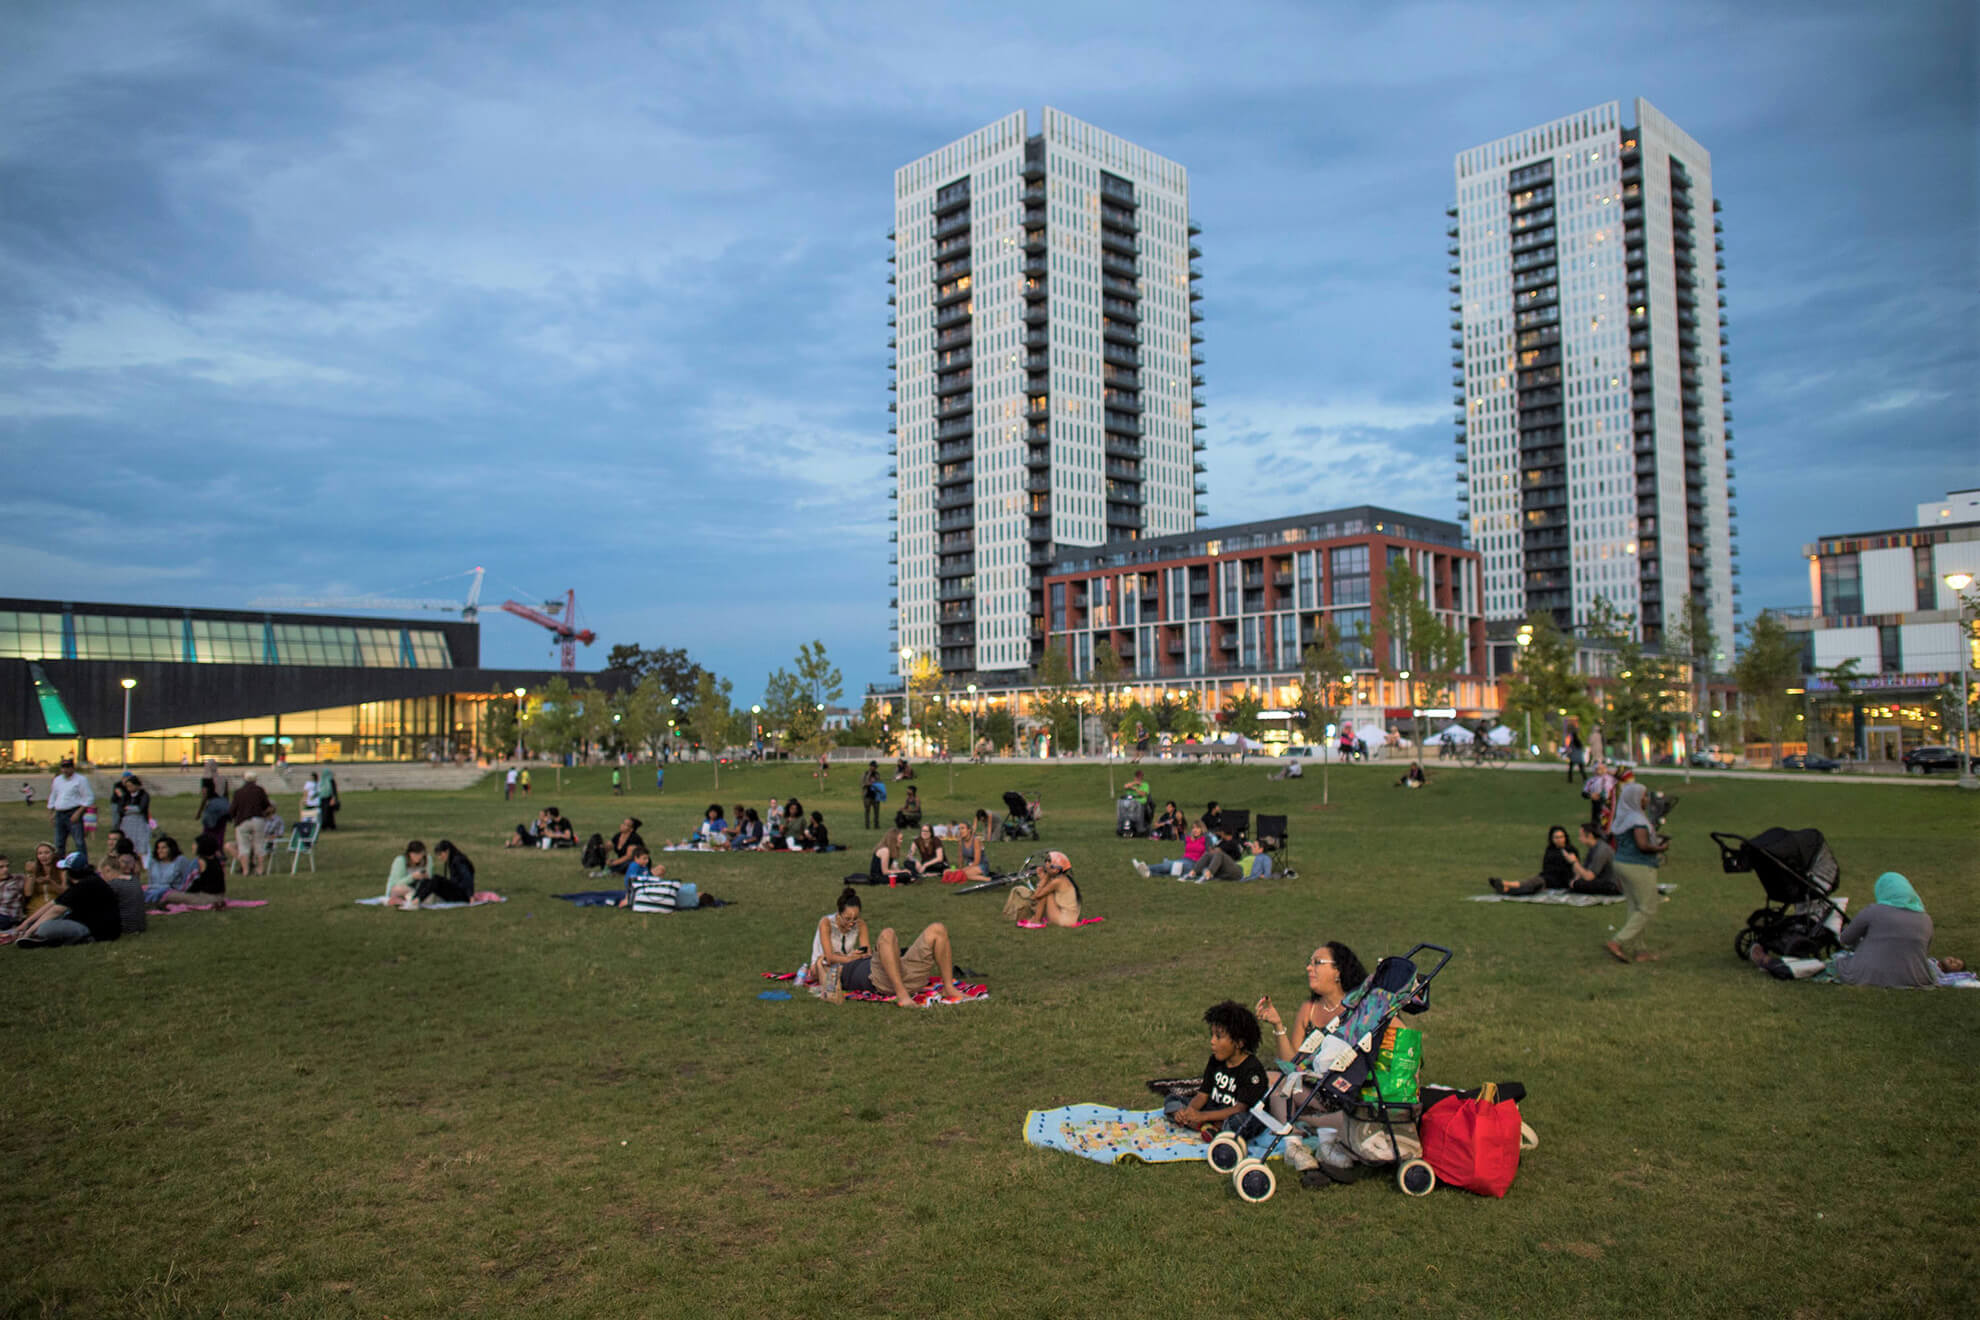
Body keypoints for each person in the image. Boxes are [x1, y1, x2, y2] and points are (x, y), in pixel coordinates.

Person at [1748, 872, 1937, 986]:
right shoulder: (1926, 919)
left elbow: (1845, 940)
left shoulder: (1875, 911)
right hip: (1915, 977)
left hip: (1867, 974)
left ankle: (1773, 964)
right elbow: (1919, 952)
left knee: (1822, 966)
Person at [808, 887, 967, 1007]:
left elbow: (867, 950)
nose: (851, 922)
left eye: (855, 918)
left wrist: (860, 954)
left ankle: (948, 987)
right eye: (847, 918)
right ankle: (902, 994)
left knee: (937, 929)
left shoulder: (860, 926)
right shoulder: (838, 969)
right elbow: (827, 973)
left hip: (904, 973)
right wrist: (829, 963)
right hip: (881, 980)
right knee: (887, 934)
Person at [1162, 1001, 1270, 1140]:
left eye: (1218, 1037)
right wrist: (1189, 1111)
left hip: (1235, 1114)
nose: (1212, 1041)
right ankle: (1208, 1127)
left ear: (1239, 1042)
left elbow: (1240, 1108)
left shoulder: (1252, 1069)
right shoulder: (1215, 1060)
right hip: (1214, 1109)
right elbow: (1202, 1096)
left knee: (1242, 1122)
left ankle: (1210, 1126)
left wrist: (1202, 1116)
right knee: (1172, 1099)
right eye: (1212, 1035)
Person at [1604, 781, 1670, 964]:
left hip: (1621, 863)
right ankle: (1617, 941)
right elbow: (1642, 845)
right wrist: (1660, 848)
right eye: (1644, 796)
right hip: (1639, 866)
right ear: (1635, 798)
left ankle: (1640, 950)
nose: (1646, 800)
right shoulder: (1637, 820)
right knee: (1648, 907)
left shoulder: (1622, 817)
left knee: (1635, 907)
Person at [4, 857, 123, 948]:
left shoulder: (84, 886)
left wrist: (29, 932)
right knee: (45, 923)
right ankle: (48, 939)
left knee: (44, 928)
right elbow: (53, 903)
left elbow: (56, 910)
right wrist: (25, 924)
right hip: (98, 927)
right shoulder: (88, 881)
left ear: (69, 873)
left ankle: (45, 939)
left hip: (99, 931)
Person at [1489, 826, 1579, 896]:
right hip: (1547, 878)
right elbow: (1546, 866)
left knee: (1532, 883)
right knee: (1530, 887)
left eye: (1561, 837)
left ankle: (1505, 883)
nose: (1559, 840)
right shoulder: (1550, 850)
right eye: (1556, 837)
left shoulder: (1570, 850)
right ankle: (1506, 889)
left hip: (1560, 880)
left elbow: (1573, 869)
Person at [1012, 851, 1081, 927]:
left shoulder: (1057, 882)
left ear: (1056, 869)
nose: (1046, 863)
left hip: (1064, 920)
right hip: (1070, 919)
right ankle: (1035, 919)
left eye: (1049, 861)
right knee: (1046, 892)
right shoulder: (1063, 879)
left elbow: (1036, 896)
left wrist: (1045, 877)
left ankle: (1036, 921)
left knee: (1045, 894)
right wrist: (1043, 877)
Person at [47, 757, 94, 863]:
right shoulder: (57, 780)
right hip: (60, 813)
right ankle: (60, 864)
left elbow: (89, 798)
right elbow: (53, 796)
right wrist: (51, 813)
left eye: (68, 768)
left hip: (73, 811)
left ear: (73, 768)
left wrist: (78, 813)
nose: (65, 770)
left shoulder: (80, 780)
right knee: (59, 842)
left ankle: (83, 864)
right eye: (63, 768)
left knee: (79, 842)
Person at [229, 772, 275, 877]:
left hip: (242, 821)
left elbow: (233, 809)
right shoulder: (259, 790)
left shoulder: (238, 792)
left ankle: (246, 870)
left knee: (243, 846)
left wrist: (232, 818)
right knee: (259, 845)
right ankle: (260, 869)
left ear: (244, 779)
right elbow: (267, 806)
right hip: (258, 820)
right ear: (255, 780)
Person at [1134, 821, 1211, 878]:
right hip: (1185, 860)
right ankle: (1149, 874)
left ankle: (1146, 867)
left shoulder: (1206, 838)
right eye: (1193, 828)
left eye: (1197, 828)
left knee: (1168, 866)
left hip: (1195, 863)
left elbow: (1208, 854)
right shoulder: (1188, 838)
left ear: (1202, 829)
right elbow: (1187, 851)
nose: (1195, 830)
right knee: (1172, 871)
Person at [410, 841, 475, 906]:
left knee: (436, 879)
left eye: (440, 854)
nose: (439, 857)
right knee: (429, 878)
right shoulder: (452, 859)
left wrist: (470, 896)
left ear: (447, 851)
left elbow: (467, 877)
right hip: (457, 891)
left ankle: (417, 900)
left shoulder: (459, 860)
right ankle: (414, 899)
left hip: (463, 896)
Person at [111, 773, 152, 870]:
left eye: (131, 786)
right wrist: (129, 809)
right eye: (127, 786)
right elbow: (120, 809)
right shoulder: (125, 796)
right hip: (127, 823)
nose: (129, 788)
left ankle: (143, 864)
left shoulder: (144, 795)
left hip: (140, 822)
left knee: (141, 842)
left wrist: (129, 808)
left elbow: (141, 808)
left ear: (137, 785)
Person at [1568, 822, 1621, 895]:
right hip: (1600, 880)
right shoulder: (1593, 848)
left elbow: (1589, 877)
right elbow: (1584, 870)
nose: (1579, 839)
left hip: (1611, 885)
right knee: (1574, 882)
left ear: (1589, 835)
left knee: (1578, 884)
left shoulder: (1602, 850)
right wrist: (1575, 879)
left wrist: (1574, 862)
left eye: (1581, 836)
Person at [22, 843, 65, 918]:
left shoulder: (61, 871)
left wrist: (51, 882)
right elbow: (28, 893)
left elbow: (65, 892)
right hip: (36, 909)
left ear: (54, 854)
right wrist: (31, 873)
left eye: (47, 853)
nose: (43, 856)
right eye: (40, 853)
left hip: (55, 908)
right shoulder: (34, 870)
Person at [384, 841, 431, 906]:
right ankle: (406, 900)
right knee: (398, 889)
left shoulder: (427, 859)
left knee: (429, 895)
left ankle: (408, 900)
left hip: (419, 888)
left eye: (420, 854)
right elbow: (396, 883)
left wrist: (425, 876)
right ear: (410, 854)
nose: (418, 857)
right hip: (401, 888)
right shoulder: (400, 861)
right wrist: (412, 877)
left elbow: (431, 880)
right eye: (415, 854)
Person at [316, 759, 339, 831]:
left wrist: (333, 798)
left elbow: (334, 791)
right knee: (324, 813)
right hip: (323, 798)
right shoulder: (322, 781)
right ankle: (325, 825)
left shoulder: (331, 780)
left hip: (329, 798)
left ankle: (330, 825)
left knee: (329, 813)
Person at [0, 854, 21, 932]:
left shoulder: (17, 879)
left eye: (7, 866)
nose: (5, 869)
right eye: (1, 867)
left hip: (8, 917)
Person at [860, 762, 883, 830]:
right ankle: (867, 825)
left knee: (876, 812)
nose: (875, 768)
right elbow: (862, 784)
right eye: (873, 767)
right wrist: (869, 784)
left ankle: (876, 825)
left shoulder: (877, 774)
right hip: (867, 795)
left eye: (876, 767)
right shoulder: (865, 774)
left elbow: (880, 783)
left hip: (876, 795)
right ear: (870, 766)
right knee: (867, 811)